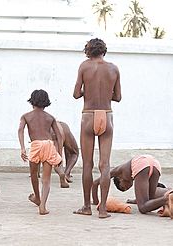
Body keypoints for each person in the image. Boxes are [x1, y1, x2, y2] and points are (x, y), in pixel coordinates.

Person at [73, 38, 121, 218]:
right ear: (104, 51)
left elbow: (76, 94)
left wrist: (89, 91)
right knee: (105, 164)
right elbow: (118, 97)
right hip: (106, 115)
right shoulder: (114, 68)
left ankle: (87, 206)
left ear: (89, 51)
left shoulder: (84, 66)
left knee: (87, 164)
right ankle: (102, 209)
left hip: (89, 115)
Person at [18, 89, 69, 215]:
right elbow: (59, 135)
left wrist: (23, 148)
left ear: (32, 102)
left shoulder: (26, 116)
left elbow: (20, 130)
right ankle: (43, 206)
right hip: (48, 145)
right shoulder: (50, 117)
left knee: (34, 174)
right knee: (46, 179)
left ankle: (37, 196)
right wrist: (59, 154)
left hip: (35, 145)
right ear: (46, 103)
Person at [92, 155, 173, 219]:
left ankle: (166, 199)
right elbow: (144, 194)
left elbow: (95, 183)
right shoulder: (134, 174)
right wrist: (137, 199)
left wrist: (96, 201)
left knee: (142, 208)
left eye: (123, 187)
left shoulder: (115, 172)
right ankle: (167, 203)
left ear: (119, 178)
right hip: (154, 163)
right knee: (150, 202)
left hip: (142, 163)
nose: (127, 187)